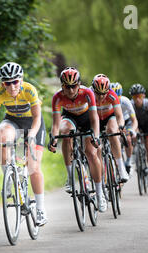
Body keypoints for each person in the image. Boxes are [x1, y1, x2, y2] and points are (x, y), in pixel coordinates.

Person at [0, 62, 48, 226]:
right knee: (2, 136)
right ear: (2, 83)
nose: (12, 86)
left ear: (21, 80)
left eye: (15, 82)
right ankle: (9, 178)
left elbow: (37, 118)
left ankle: (40, 209)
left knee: (33, 167)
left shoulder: (29, 90)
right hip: (13, 121)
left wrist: (32, 135)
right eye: (7, 83)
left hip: (33, 124)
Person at [48, 67, 106, 212]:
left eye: (74, 86)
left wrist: (96, 137)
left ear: (79, 84)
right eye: (67, 86)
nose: (71, 90)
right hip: (70, 118)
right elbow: (55, 124)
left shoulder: (87, 93)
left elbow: (94, 118)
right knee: (65, 132)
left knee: (91, 153)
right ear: (62, 86)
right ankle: (70, 176)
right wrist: (53, 139)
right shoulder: (57, 97)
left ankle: (100, 195)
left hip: (87, 119)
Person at [91, 74, 129, 182]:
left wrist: (121, 126)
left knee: (112, 131)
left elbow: (119, 115)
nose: (101, 96)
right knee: (97, 147)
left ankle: (121, 169)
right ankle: (101, 177)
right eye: (98, 93)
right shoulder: (89, 95)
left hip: (109, 117)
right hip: (95, 119)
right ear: (93, 89)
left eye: (104, 93)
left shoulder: (112, 95)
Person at [129, 83, 148, 186]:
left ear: (143, 96)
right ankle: (133, 157)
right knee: (132, 137)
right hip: (135, 125)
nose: (137, 99)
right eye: (135, 97)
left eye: (139, 96)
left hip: (147, 126)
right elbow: (129, 120)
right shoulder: (130, 105)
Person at [110, 81, 138, 174]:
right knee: (115, 139)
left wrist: (133, 130)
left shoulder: (126, 101)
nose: (116, 100)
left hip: (127, 121)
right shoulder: (108, 101)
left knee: (128, 139)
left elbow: (134, 119)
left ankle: (129, 161)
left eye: (118, 97)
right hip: (115, 121)